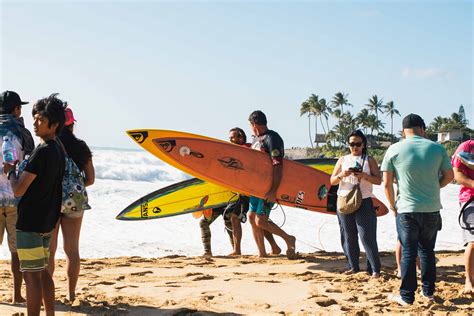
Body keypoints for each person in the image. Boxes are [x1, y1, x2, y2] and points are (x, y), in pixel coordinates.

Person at [3, 93, 66, 315]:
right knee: (43, 273)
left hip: (30, 222)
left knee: (31, 276)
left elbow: (19, 188)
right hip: (47, 220)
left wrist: (10, 171)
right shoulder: (59, 148)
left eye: (40, 119)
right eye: (35, 118)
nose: (35, 123)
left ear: (54, 124)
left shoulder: (43, 151)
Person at [382, 113, 453, 306]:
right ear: (422, 128)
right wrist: (434, 187)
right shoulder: (436, 148)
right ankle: (428, 293)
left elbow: (387, 184)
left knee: (408, 252)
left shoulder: (394, 149)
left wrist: (392, 205)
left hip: (406, 208)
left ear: (404, 131)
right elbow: (449, 175)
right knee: (427, 251)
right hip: (431, 208)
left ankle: (406, 297)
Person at [47, 106, 95, 302]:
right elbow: (91, 179)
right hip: (74, 201)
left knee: (49, 250)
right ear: (72, 124)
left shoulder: (49, 146)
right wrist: (74, 186)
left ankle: (47, 293)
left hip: (51, 200)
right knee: (72, 250)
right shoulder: (81, 147)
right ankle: (71, 293)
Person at [330, 130, 382, 278]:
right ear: (348, 145)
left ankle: (374, 270)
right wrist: (342, 175)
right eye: (352, 144)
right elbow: (332, 181)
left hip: (364, 199)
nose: (355, 147)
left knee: (367, 236)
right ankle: (353, 267)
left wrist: (364, 176)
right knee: (348, 235)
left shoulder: (369, 159)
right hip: (344, 200)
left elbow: (379, 180)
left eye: (358, 144)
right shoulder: (342, 160)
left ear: (363, 144)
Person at [0, 90, 35, 304]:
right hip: (15, 197)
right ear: (16, 109)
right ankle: (16, 294)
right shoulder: (19, 131)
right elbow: (15, 161)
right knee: (16, 250)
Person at [247, 110, 296, 259]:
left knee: (260, 221)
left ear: (254, 124)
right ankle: (262, 253)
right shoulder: (256, 140)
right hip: (256, 187)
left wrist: (273, 190)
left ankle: (288, 238)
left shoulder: (272, 138)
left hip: (268, 187)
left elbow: (278, 165)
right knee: (251, 216)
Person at [227, 127, 281, 256]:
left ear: (240, 137)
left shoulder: (246, 150)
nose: (229, 140)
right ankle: (273, 247)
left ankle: (238, 250)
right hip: (246, 191)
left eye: (232, 137)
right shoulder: (242, 150)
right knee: (256, 220)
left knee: (252, 219)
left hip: (251, 191)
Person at [451, 139, 474, 294]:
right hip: (470, 199)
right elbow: (457, 176)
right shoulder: (467, 147)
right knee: (473, 241)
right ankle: (469, 281)